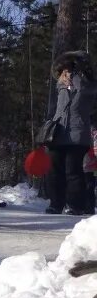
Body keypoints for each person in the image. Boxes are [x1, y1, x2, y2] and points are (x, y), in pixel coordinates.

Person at [46, 51, 97, 215]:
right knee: (55, 171)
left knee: (73, 171)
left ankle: (76, 205)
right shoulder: (60, 86)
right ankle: (56, 204)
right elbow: (57, 109)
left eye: (69, 71)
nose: (66, 74)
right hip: (58, 133)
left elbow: (84, 90)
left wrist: (77, 73)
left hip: (78, 134)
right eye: (65, 71)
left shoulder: (87, 85)